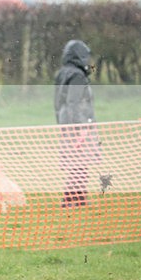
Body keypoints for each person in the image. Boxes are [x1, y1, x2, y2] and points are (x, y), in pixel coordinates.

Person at [54, 39, 100, 207]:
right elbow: (74, 102)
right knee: (81, 163)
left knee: (76, 163)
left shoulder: (63, 73)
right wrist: (80, 128)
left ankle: (74, 199)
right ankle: (74, 200)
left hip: (66, 122)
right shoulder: (77, 75)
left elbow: (59, 104)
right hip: (78, 124)